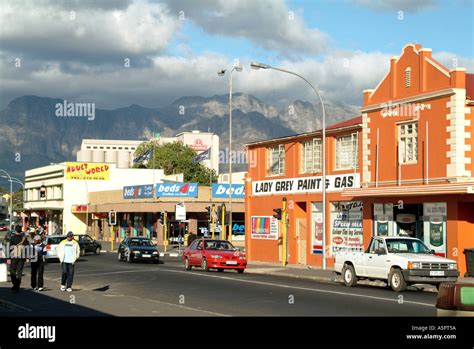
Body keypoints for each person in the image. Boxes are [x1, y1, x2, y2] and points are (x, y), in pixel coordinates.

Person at [8, 225, 30, 293]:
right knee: (19, 272)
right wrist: (27, 257)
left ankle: (15, 284)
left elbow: (10, 248)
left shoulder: (12, 238)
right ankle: (17, 286)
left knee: (12, 270)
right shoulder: (24, 238)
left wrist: (8, 258)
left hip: (14, 256)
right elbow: (27, 248)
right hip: (22, 257)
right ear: (21, 230)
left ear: (15, 230)